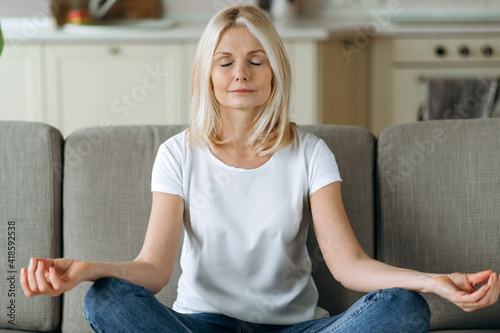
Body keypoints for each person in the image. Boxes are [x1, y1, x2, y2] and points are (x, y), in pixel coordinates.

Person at [21, 5, 499, 333]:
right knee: (106, 299)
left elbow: (349, 266)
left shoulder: (311, 153)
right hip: (200, 324)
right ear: (207, 76)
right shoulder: (176, 154)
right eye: (224, 62)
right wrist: (87, 269)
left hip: (296, 326)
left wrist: (430, 281)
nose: (240, 75)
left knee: (404, 307)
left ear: (275, 73)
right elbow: (153, 269)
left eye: (255, 61)